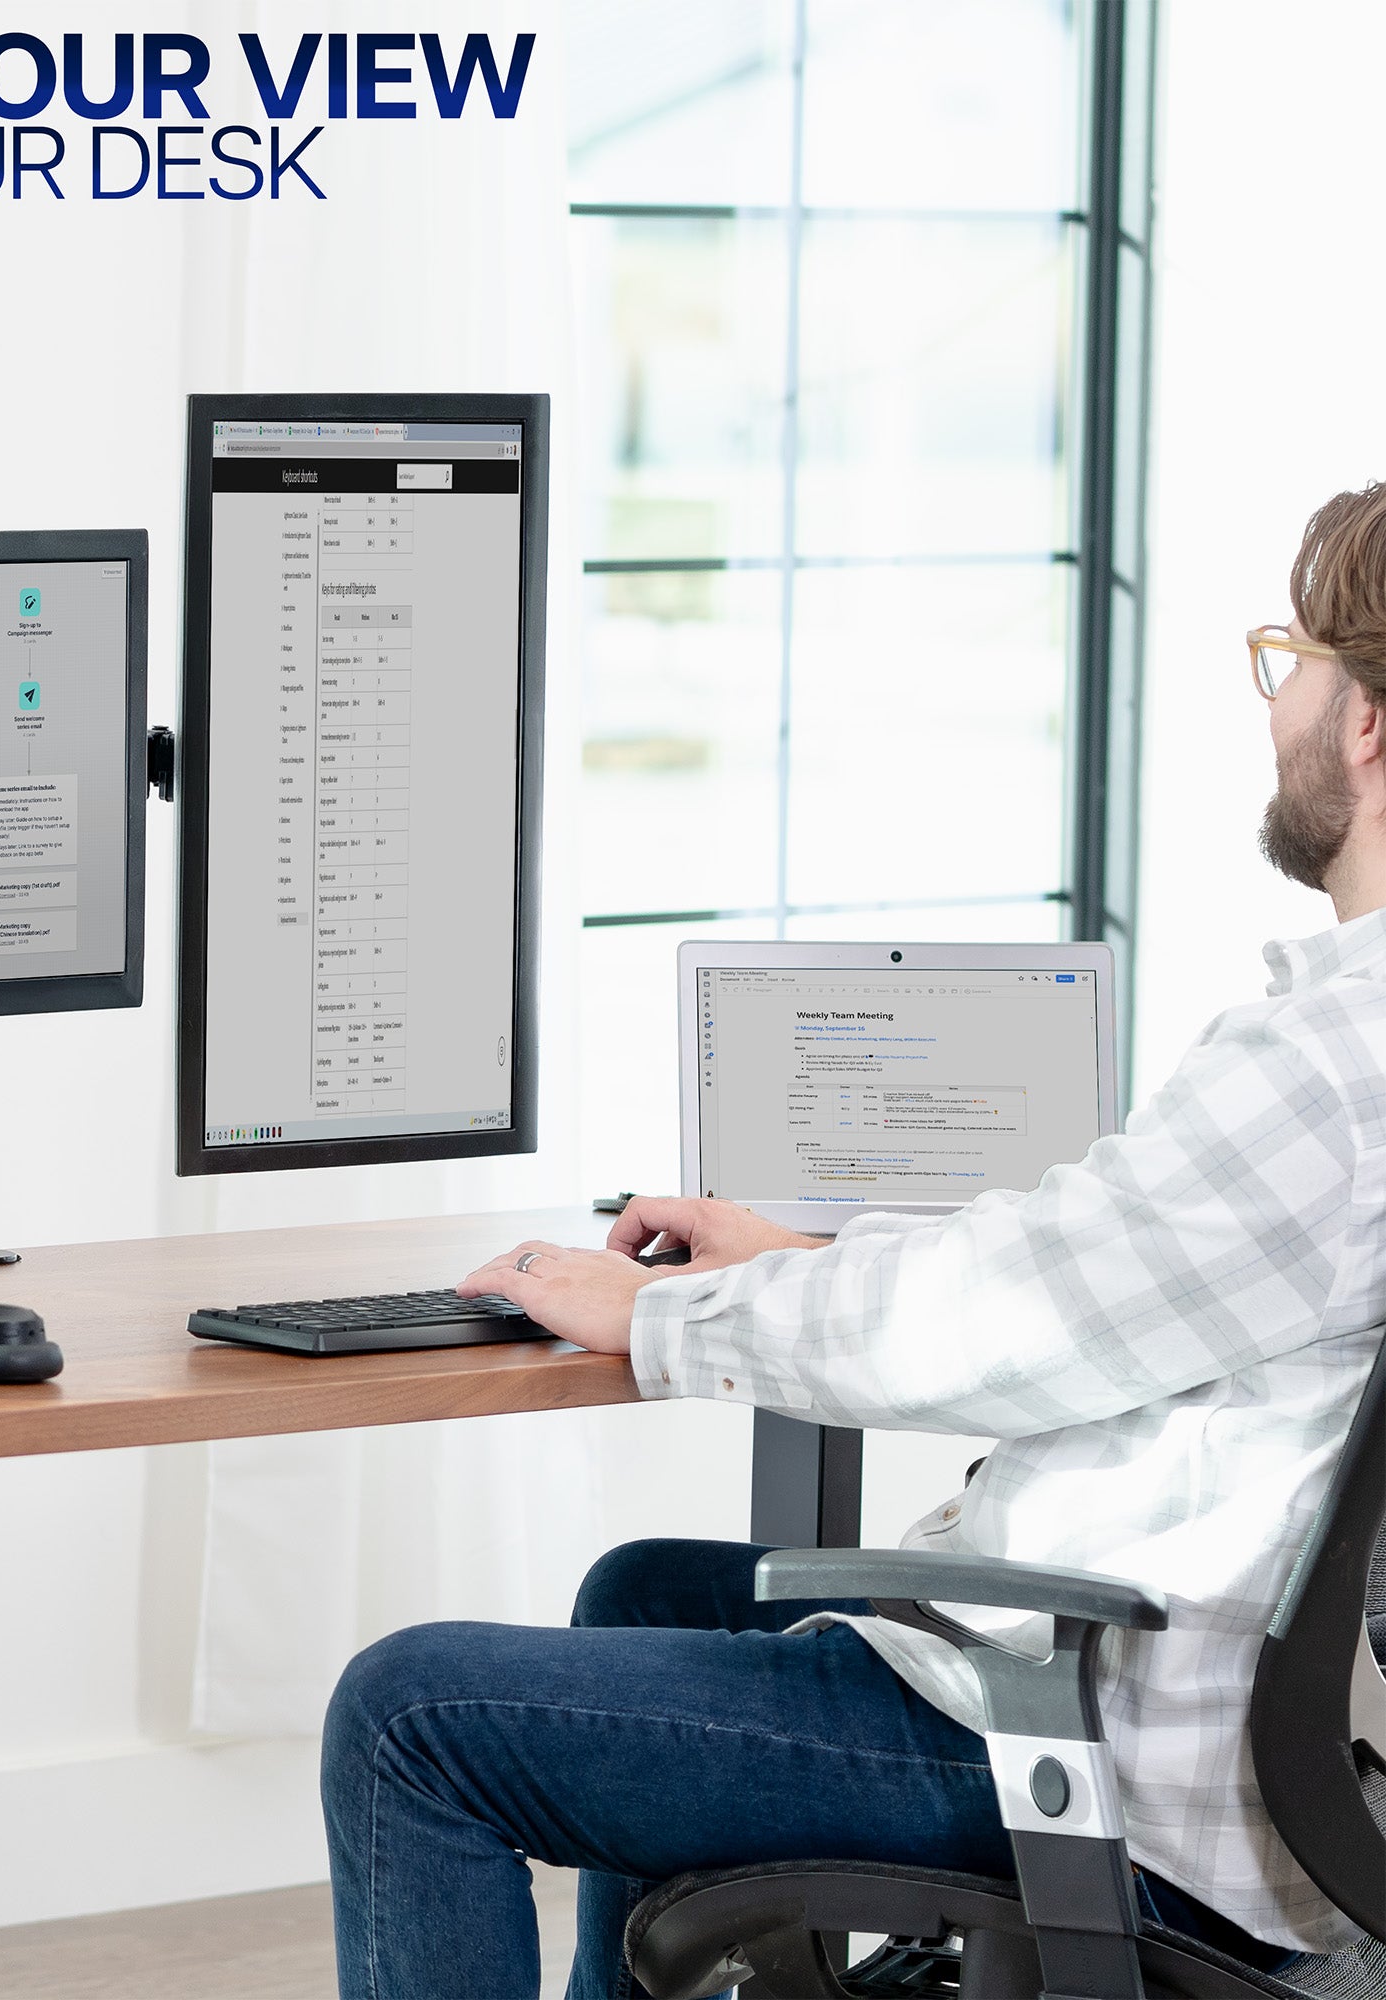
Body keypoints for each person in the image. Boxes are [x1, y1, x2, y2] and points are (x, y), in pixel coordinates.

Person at [321, 484, 1386, 1998]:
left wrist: (657, 1315)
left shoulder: (1328, 1068)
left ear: (1366, 723)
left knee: (408, 1716)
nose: (1272, 705)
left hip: (1107, 1763)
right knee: (645, 1587)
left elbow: (1002, 1325)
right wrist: (789, 1266)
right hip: (1193, 1709)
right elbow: (1087, 1265)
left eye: (1290, 663)